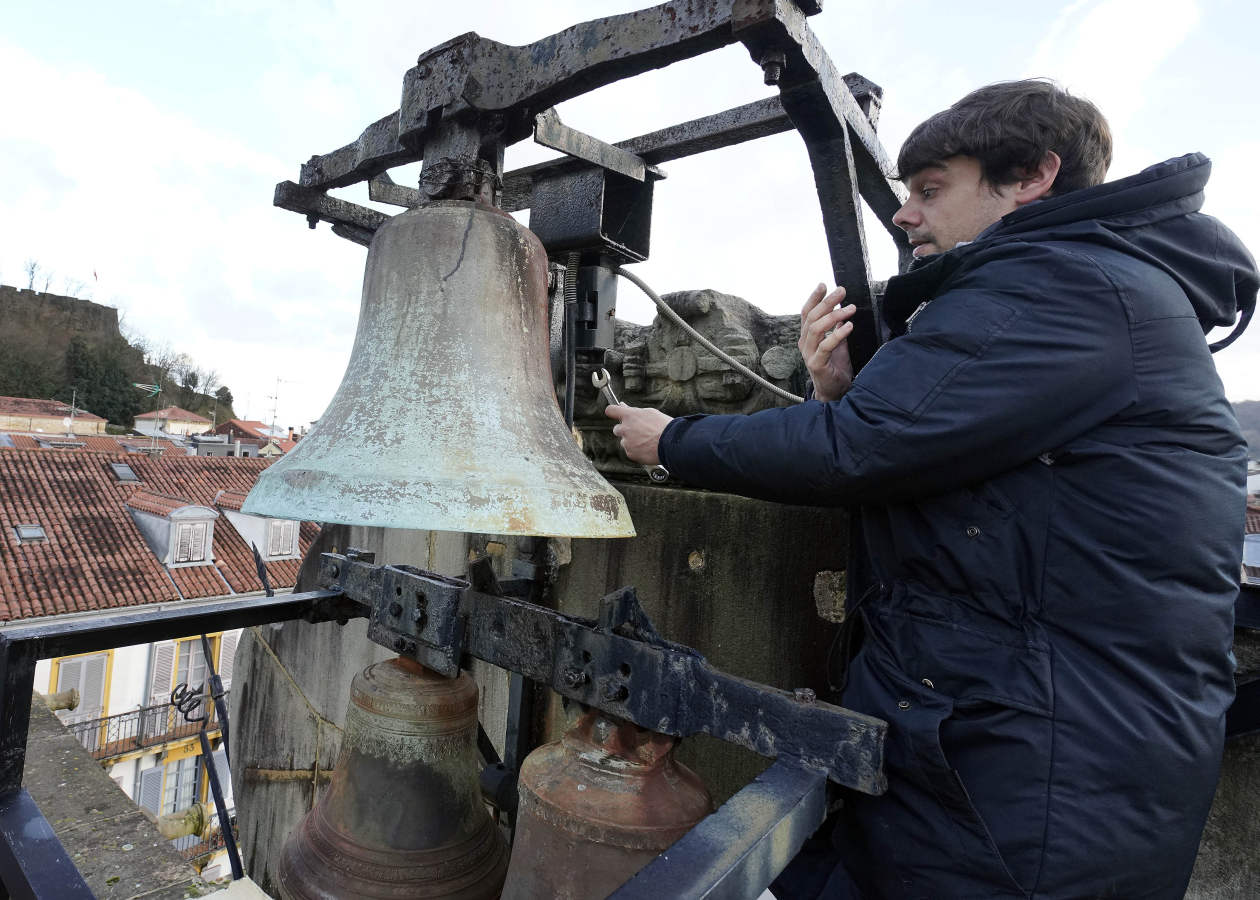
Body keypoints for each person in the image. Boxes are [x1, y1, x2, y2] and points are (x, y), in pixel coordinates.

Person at [606, 79, 1259, 899]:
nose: (903, 214)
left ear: (1030, 178)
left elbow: (864, 450)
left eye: (930, 189)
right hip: (1011, 749)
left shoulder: (1062, 286)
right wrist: (836, 394)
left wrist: (673, 440)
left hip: (1033, 789)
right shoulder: (1089, 286)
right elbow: (937, 473)